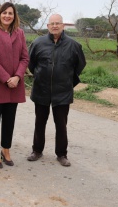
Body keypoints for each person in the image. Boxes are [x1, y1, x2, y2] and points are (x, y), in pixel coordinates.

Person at [27, 14, 86, 167]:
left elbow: (80, 65)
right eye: (52, 23)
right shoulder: (38, 43)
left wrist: (67, 80)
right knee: (39, 122)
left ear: (63, 25)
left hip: (62, 92)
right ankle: (37, 150)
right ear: (47, 26)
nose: (55, 26)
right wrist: (40, 75)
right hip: (41, 90)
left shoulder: (73, 45)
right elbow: (31, 63)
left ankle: (61, 154)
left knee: (61, 125)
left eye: (58, 23)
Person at [0, 2, 29, 168]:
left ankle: (6, 149)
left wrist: (17, 77)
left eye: (11, 13)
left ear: (14, 16)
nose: (7, 16)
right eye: (4, 13)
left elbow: (25, 58)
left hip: (15, 85)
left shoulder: (20, 33)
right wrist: (6, 78)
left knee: (10, 120)